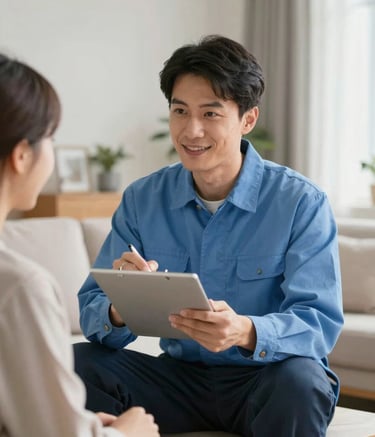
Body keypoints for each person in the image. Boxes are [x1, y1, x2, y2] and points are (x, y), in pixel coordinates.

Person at [74, 35, 344, 436]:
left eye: (211, 114)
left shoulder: (300, 203)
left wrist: (246, 331)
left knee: (302, 382)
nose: (191, 130)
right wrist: (121, 306)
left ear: (247, 119)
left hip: (264, 380)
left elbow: (319, 323)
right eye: (180, 111)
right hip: (176, 380)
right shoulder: (143, 199)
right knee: (74, 363)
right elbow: (92, 307)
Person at [0, 53, 159, 437]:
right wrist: (126, 433)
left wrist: (83, 424)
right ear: (22, 155)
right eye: (51, 138)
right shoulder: (19, 286)